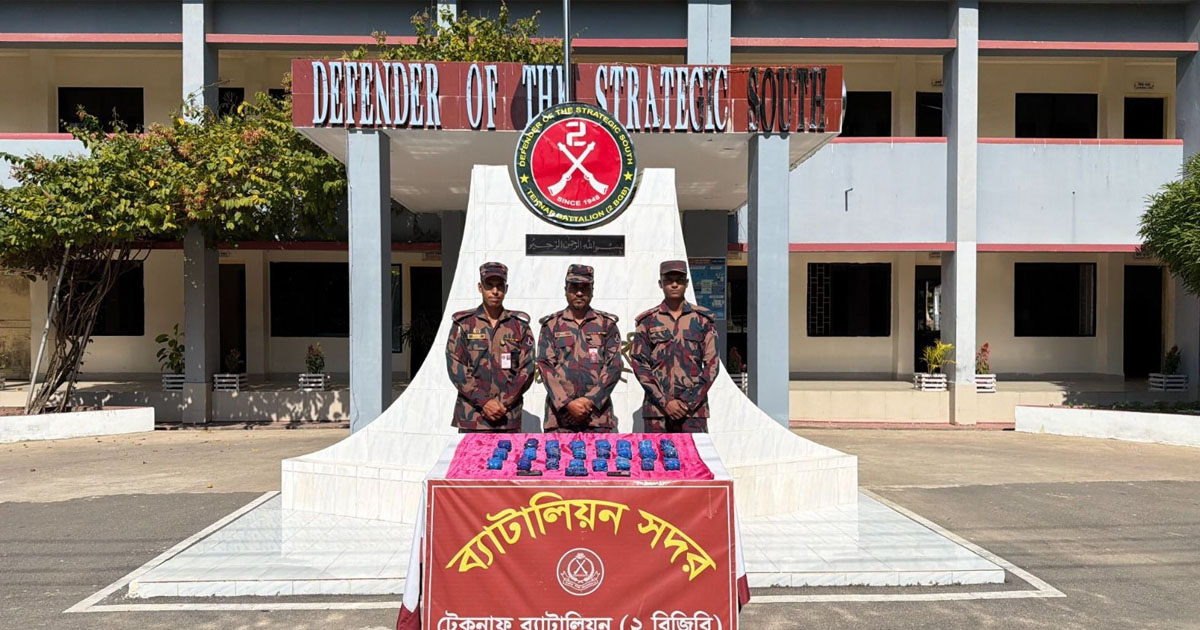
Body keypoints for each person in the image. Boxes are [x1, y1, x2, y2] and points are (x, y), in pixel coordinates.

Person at [629, 260, 720, 433]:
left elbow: (712, 365)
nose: (674, 284)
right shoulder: (647, 321)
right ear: (660, 284)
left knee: (693, 452)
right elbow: (639, 363)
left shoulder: (703, 320)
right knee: (656, 452)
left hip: (693, 412)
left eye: (679, 280)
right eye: (669, 280)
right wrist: (665, 401)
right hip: (657, 411)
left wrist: (686, 401)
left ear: (687, 283)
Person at [445, 262, 535, 433]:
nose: (495, 291)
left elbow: (527, 369)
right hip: (473, 418)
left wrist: (502, 403)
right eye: (489, 285)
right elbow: (456, 366)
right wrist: (484, 402)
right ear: (480, 287)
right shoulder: (464, 324)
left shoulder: (519, 326)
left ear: (506, 289)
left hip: (507, 417)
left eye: (499, 286)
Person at [537, 264, 623, 433]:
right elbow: (545, 366)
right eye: (574, 287)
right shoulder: (551, 325)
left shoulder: (607, 324)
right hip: (560, 418)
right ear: (565, 290)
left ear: (592, 290)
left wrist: (589, 401)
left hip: (596, 416)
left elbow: (614, 367)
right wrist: (567, 403)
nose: (579, 293)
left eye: (584, 288)